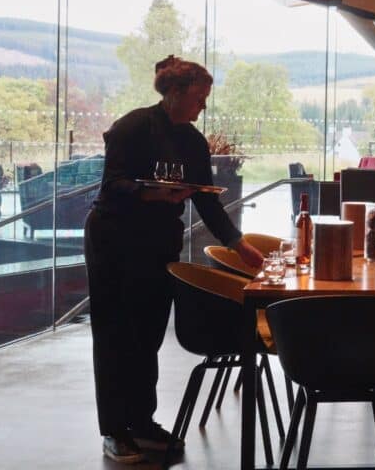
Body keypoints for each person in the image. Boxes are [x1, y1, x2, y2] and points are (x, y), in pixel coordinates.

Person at [84, 56, 263, 463]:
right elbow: (112, 186)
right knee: (114, 337)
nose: (203, 106)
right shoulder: (132, 127)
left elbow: (206, 201)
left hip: (156, 245)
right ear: (175, 93)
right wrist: (151, 194)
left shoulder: (193, 142)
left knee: (147, 336)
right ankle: (114, 430)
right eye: (199, 98)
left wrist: (239, 244)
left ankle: (141, 422)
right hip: (113, 242)